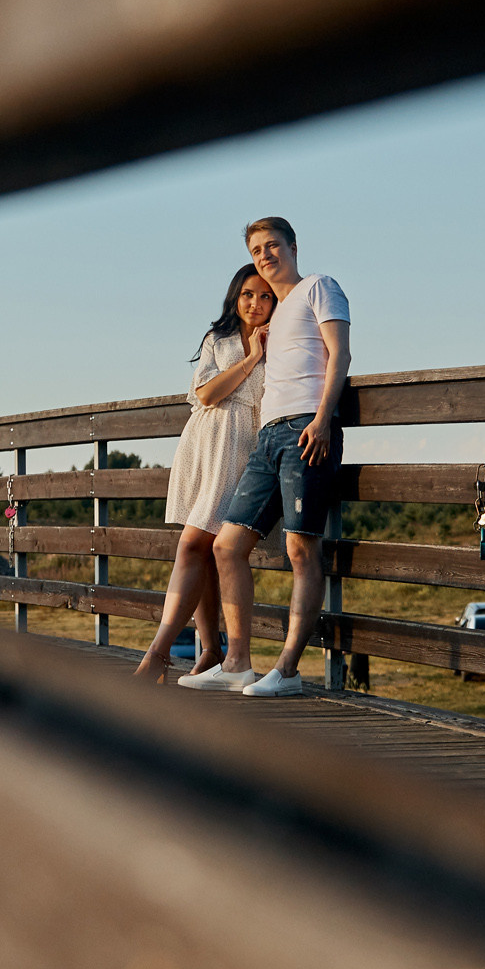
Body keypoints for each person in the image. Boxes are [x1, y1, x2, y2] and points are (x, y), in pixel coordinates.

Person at [181, 216, 351, 697]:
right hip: (267, 436)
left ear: (293, 247)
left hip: (306, 429)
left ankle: (289, 671)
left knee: (301, 548)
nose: (265, 255)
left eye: (272, 245)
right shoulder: (272, 316)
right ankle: (236, 662)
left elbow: (340, 354)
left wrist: (322, 418)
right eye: (257, 249)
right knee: (225, 546)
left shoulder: (319, 286)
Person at [132, 265, 274, 681]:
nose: (255, 303)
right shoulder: (219, 339)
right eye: (248, 294)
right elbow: (207, 393)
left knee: (195, 544)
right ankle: (210, 649)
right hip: (205, 446)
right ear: (235, 296)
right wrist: (251, 359)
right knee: (205, 550)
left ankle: (158, 654)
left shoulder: (280, 338)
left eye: (265, 297)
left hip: (243, 447)